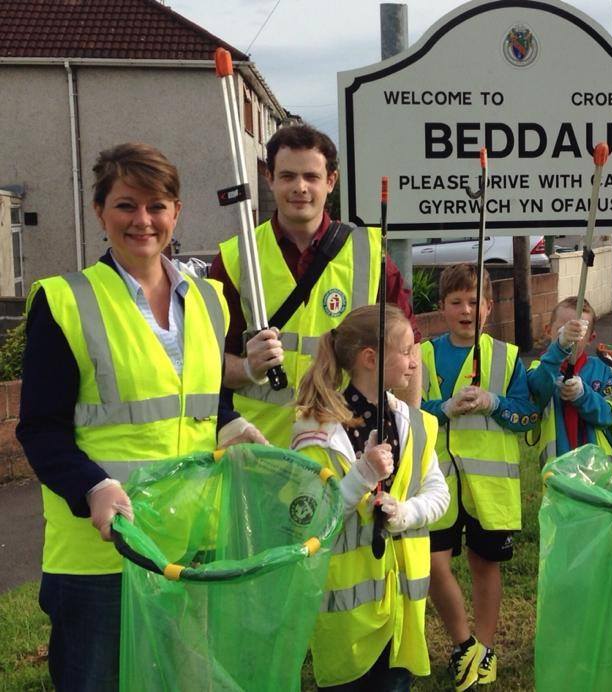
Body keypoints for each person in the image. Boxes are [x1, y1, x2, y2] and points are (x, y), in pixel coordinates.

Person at [15, 143, 262, 690]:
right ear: (100, 212)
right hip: (101, 555)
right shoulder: (65, 301)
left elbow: (202, 399)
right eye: (126, 205)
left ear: (177, 213)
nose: (142, 221)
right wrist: (92, 488)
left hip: (188, 547)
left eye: (157, 206)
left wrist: (234, 426)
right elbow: (39, 427)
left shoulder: (210, 299)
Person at [208, 124, 420, 446]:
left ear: (331, 181)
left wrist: (407, 440)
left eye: (311, 177)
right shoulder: (235, 258)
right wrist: (249, 368)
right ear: (270, 178)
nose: (300, 187)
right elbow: (207, 366)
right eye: (288, 176)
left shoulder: (369, 255)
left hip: (347, 447)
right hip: (260, 450)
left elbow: (409, 352)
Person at [291, 305, 448, 690]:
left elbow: (438, 493)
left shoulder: (414, 424)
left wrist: (405, 512)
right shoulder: (316, 431)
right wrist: (361, 477)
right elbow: (306, 520)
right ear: (370, 359)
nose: (415, 361)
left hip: (401, 614)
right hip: (348, 623)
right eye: (408, 350)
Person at [420, 263, 538, 690]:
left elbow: (527, 417)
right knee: (434, 565)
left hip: (489, 487)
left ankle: (484, 650)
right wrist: (441, 408)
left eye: (475, 302)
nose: (466, 310)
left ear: (489, 306)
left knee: (485, 564)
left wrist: (495, 402)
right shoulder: (424, 355)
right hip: (437, 484)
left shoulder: (507, 357)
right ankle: (463, 643)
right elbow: (408, 411)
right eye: (456, 302)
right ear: (442, 307)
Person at [527, 296, 612, 465]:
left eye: (579, 332)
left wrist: (583, 395)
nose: (571, 338)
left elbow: (608, 416)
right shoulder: (538, 368)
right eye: (563, 330)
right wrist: (559, 348)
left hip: (598, 470)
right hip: (558, 471)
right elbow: (537, 390)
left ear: (591, 338)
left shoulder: (603, 368)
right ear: (548, 330)